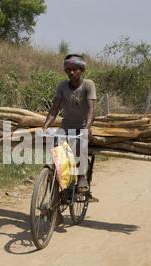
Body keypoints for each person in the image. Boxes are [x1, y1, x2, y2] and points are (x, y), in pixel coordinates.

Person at [41, 54, 97, 226]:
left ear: (82, 70)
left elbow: (90, 110)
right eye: (69, 69)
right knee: (57, 156)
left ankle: (81, 177)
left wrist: (86, 129)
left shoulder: (88, 85)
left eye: (75, 69)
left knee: (80, 145)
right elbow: (54, 109)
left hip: (82, 125)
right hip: (66, 126)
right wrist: (45, 127)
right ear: (65, 70)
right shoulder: (62, 86)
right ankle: (56, 197)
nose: (72, 72)